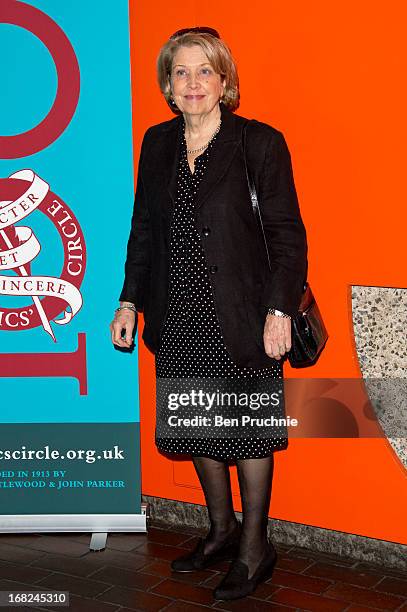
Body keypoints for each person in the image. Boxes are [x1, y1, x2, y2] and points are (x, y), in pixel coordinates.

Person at [110, 27, 308, 601]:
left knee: (246, 433)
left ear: (225, 80)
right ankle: (220, 531)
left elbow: (288, 237)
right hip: (179, 312)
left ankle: (255, 545)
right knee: (197, 421)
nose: (192, 83)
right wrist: (129, 300)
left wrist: (278, 310)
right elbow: (143, 229)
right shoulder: (156, 144)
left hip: (244, 312)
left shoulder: (259, 144)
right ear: (167, 85)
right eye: (181, 72)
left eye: (204, 71)